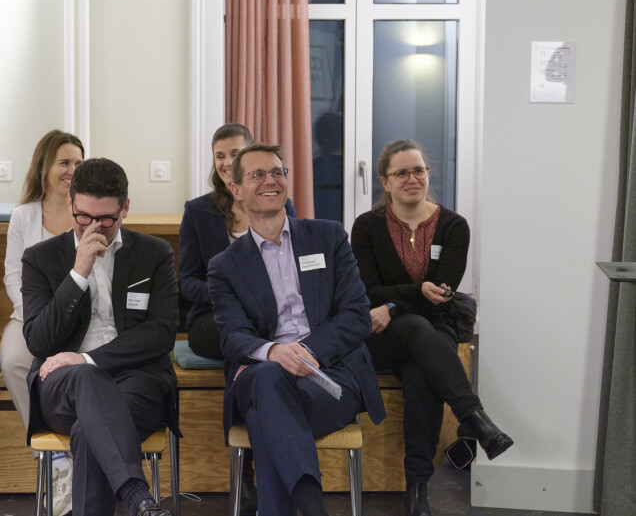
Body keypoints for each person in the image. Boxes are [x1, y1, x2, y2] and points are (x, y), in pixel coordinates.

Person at [208, 143, 386, 516]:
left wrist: (308, 350)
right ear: (237, 189)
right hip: (265, 372)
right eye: (257, 174)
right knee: (270, 376)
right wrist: (275, 352)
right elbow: (233, 336)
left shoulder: (328, 236)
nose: (270, 181)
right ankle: (312, 507)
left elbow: (357, 315)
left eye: (277, 172)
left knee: (264, 417)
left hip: (330, 375)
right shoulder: (225, 265)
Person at [350, 140, 514, 516]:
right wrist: (406, 298)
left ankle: (417, 490)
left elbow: (442, 293)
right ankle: (473, 417)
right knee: (412, 326)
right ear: (385, 182)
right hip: (383, 336)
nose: (412, 179)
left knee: (422, 376)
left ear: (428, 173)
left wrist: (394, 303)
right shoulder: (367, 227)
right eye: (401, 173)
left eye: (419, 170)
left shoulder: (454, 226)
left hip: (434, 330)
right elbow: (368, 290)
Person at [22, 158, 179, 516]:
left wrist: (89, 358)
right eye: (83, 217)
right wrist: (78, 273)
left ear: (125, 208)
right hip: (62, 383)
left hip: (136, 379)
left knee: (89, 432)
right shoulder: (40, 259)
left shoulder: (154, 253)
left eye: (106, 219)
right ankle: (137, 496)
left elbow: (161, 333)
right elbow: (39, 342)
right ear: (70, 204)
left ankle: (136, 498)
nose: (94, 227)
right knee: (84, 379)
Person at [179, 123, 297, 515]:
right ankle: (245, 471)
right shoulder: (198, 211)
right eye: (220, 155)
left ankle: (256, 467)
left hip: (266, 320)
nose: (227, 161)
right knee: (241, 343)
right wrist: (228, 296)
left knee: (257, 345)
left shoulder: (278, 203)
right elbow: (186, 281)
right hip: (211, 320)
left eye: (235, 154)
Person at [1, 129, 84, 516]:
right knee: (14, 360)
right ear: (44, 167)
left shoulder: (86, 210)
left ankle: (81, 454)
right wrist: (39, 315)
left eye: (79, 163)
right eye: (64, 163)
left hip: (78, 318)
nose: (72, 170)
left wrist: (62, 317)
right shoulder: (23, 215)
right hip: (29, 316)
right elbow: (12, 276)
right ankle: (52, 459)